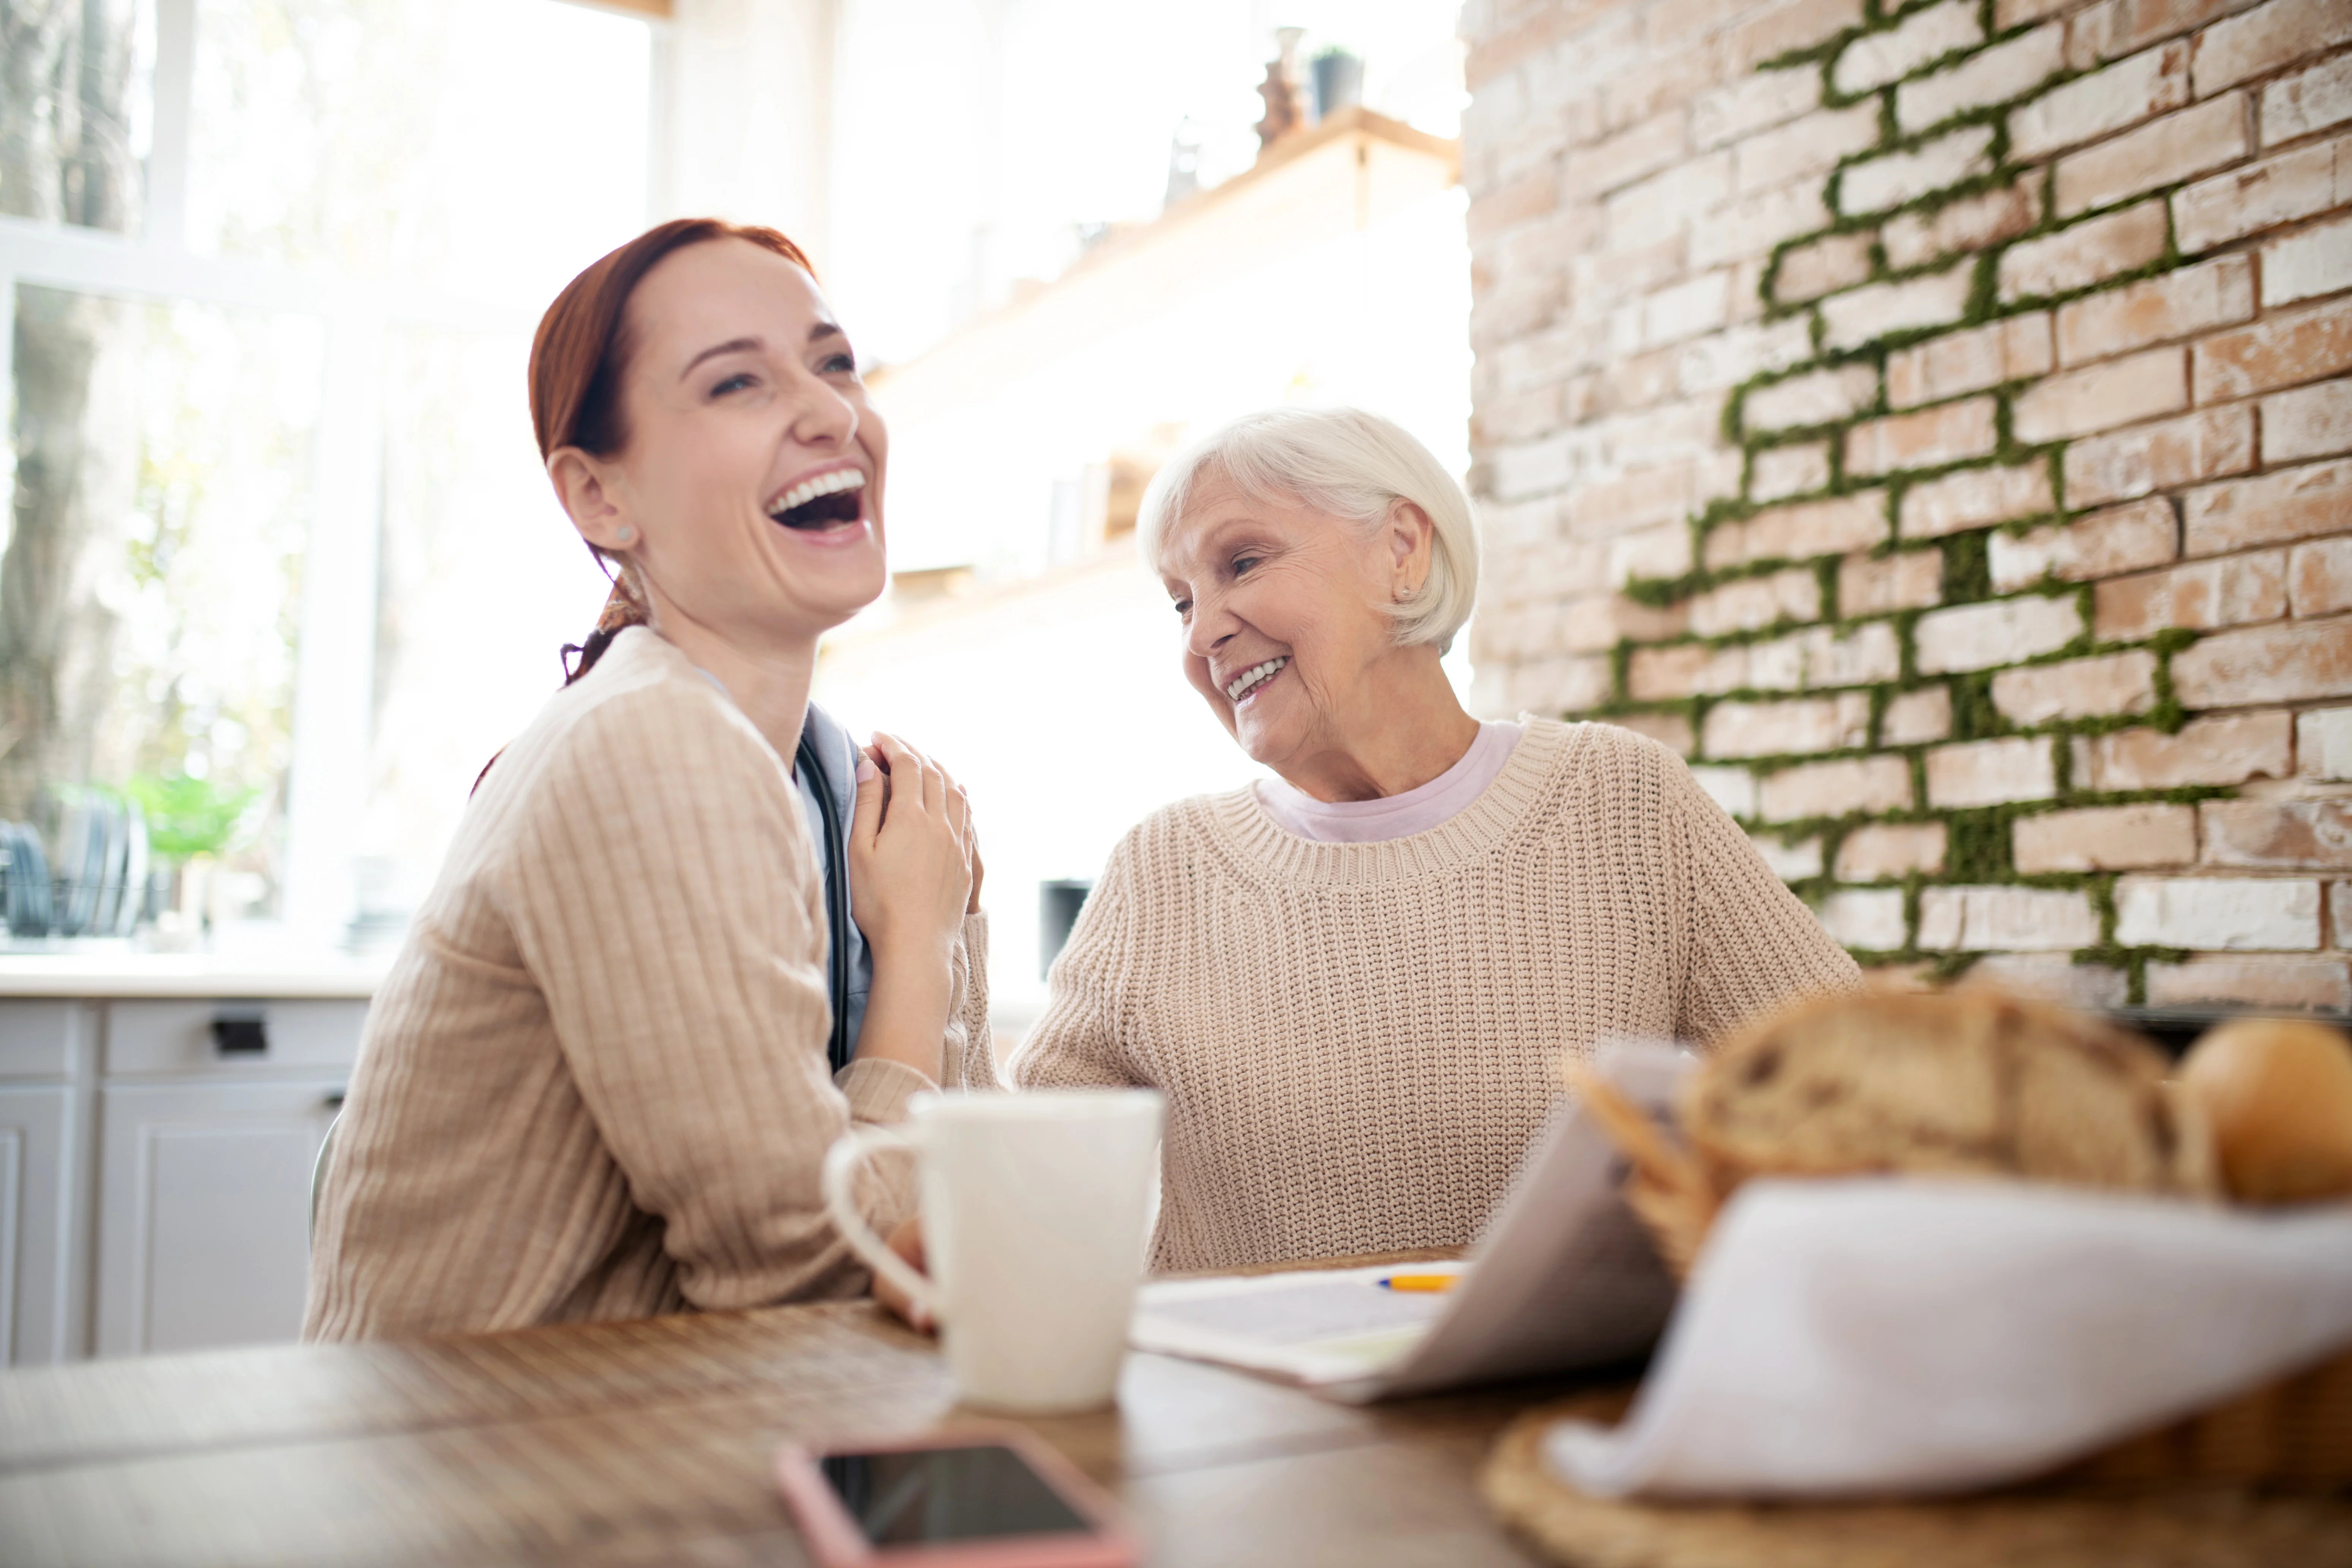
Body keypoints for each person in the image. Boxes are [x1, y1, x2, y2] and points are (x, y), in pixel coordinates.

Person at [307, 219, 993, 1341]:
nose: (830, 412)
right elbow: (813, 1261)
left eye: (834, 364)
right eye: (736, 384)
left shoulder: (847, 792)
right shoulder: (651, 746)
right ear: (599, 498)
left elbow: (958, 1213)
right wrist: (922, 948)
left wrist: (936, 929)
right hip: (494, 1481)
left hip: (695, 1437)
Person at [1008, 406, 1861, 1275]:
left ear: (1403, 552)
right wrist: (936, 953)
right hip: (1246, 1408)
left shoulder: (1621, 804)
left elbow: (1861, 1097)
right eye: (1182, 601)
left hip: (1554, 1405)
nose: (1202, 634)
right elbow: (1014, 1195)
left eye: (1244, 563)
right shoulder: (1167, 869)